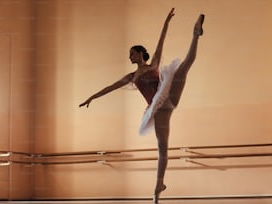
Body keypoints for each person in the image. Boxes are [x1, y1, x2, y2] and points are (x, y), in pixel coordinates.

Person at [79, 8, 205, 203]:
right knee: (162, 147)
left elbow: (160, 42)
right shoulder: (131, 76)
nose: (130, 57)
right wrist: (92, 97)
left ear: (140, 54)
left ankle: (196, 34)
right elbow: (111, 87)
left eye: (132, 54)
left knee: (184, 67)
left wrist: (166, 22)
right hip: (160, 107)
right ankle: (158, 188)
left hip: (167, 97)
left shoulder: (153, 64)